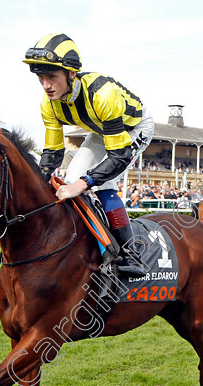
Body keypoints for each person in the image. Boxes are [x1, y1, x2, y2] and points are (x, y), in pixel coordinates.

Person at [24, 33, 153, 276]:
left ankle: (129, 253)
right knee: (70, 180)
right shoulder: (47, 102)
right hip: (99, 130)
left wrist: (85, 183)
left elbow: (118, 156)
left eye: (52, 76)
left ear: (71, 73)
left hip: (134, 128)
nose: (46, 85)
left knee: (103, 183)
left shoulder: (103, 94)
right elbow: (52, 152)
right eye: (41, 77)